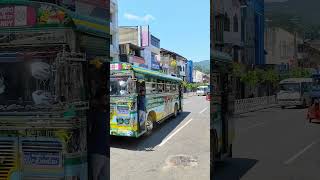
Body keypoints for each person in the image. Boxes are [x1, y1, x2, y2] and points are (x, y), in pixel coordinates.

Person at [88, 89, 109, 180]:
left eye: (107, 98)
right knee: (95, 176)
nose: (107, 100)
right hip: (97, 151)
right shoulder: (94, 114)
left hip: (106, 152)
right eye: (105, 98)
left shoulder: (107, 113)